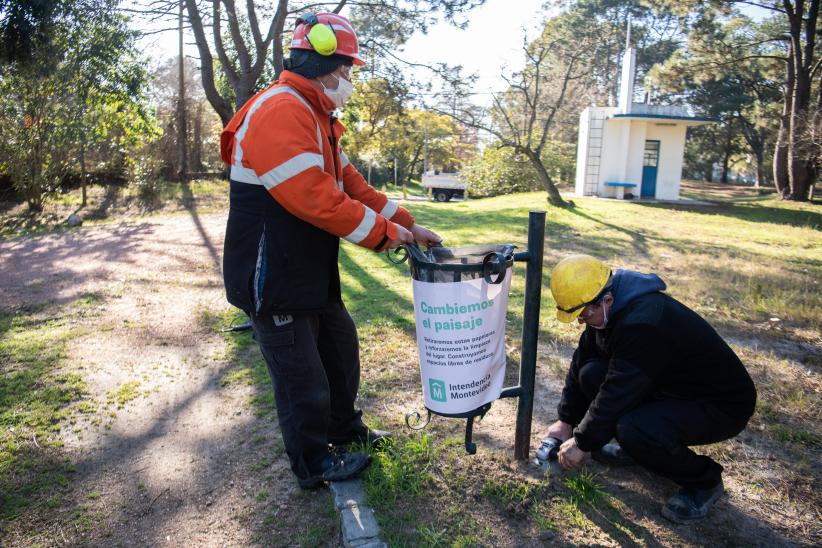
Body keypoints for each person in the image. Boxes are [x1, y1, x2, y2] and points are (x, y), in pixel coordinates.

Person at [219, 12, 441, 489]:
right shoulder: (281, 109)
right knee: (302, 380)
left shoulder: (314, 114)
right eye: (348, 69)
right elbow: (315, 197)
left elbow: (352, 184)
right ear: (326, 64)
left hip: (307, 271)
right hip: (271, 276)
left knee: (340, 352)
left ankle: (346, 430)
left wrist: (409, 223)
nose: (350, 79)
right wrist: (387, 235)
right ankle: (314, 463)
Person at [540, 254, 756, 523]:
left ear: (605, 300)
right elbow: (583, 359)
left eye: (583, 314)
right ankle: (637, 451)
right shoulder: (610, 306)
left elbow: (618, 390)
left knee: (635, 428)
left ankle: (705, 481)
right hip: (670, 386)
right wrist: (566, 420)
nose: (580, 322)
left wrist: (584, 442)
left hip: (719, 404)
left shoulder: (643, 324)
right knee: (590, 372)